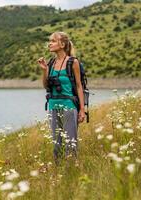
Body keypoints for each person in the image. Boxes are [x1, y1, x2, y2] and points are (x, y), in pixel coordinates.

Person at [37, 31, 85, 164]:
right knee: (56, 143)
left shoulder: (72, 62)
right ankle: (58, 170)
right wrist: (45, 70)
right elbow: (46, 86)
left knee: (71, 142)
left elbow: (79, 86)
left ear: (62, 44)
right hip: (52, 106)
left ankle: (72, 168)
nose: (50, 43)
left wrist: (82, 109)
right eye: (49, 41)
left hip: (69, 106)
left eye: (53, 41)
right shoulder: (51, 63)